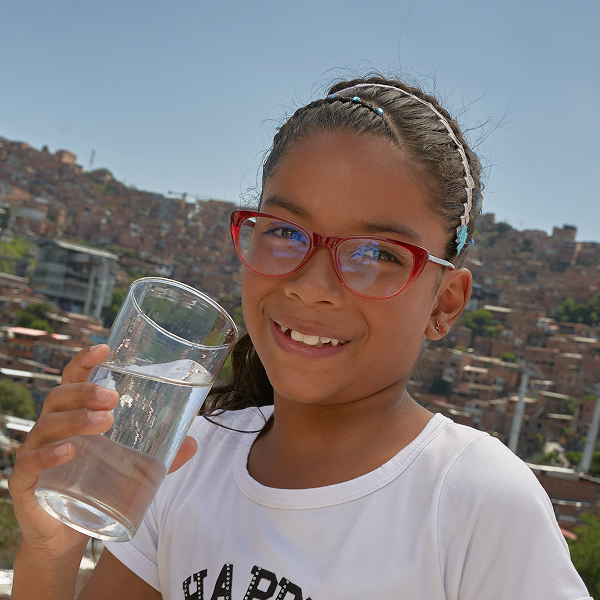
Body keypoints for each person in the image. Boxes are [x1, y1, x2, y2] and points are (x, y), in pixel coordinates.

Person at [9, 76, 591, 600]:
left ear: (444, 303)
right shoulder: (186, 463)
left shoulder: (474, 500)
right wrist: (49, 553)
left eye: (377, 254)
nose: (313, 286)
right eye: (286, 232)